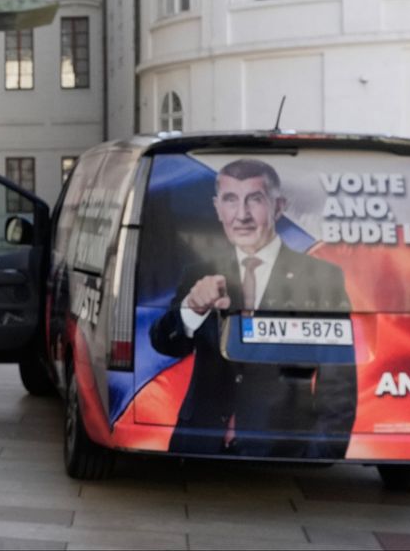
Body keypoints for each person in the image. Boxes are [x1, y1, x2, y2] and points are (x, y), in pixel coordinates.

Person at [150, 158, 354, 458]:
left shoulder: (322, 278)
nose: (242, 215)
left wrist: (320, 453)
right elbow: (165, 343)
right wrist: (192, 308)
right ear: (218, 208)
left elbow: (339, 380)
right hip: (197, 447)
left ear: (279, 206)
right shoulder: (198, 272)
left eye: (255, 200)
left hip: (283, 451)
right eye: (231, 200)